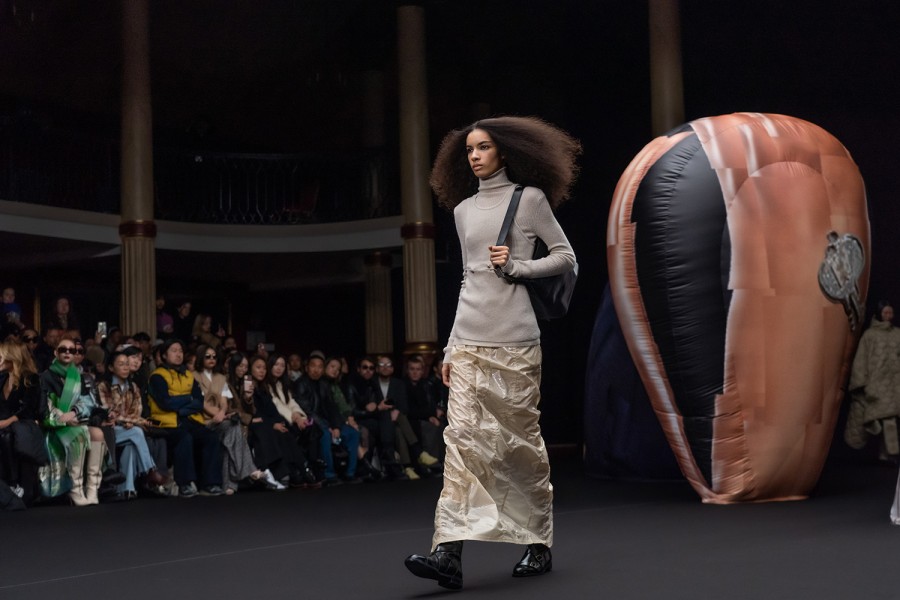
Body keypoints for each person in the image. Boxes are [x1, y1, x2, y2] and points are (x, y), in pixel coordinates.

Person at [404, 116, 580, 589]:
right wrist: (450, 346)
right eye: (469, 150)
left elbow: (566, 257)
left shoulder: (530, 200)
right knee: (462, 442)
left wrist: (519, 265)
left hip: (518, 344)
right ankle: (448, 554)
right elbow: (468, 278)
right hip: (469, 343)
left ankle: (537, 543)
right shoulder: (462, 211)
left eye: (483, 148)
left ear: (504, 151)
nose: (475, 156)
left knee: (518, 446)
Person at [193, 344, 283, 494]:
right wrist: (219, 414)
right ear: (201, 357)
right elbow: (200, 402)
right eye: (208, 356)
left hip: (223, 419)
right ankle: (252, 472)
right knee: (234, 428)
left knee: (232, 430)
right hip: (204, 420)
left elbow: (224, 400)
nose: (211, 359)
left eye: (214, 356)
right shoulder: (194, 376)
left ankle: (229, 485)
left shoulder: (220, 377)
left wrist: (228, 408)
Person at [146, 339, 224, 497]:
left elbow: (198, 402)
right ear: (164, 356)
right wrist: (187, 399)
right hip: (166, 423)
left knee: (210, 437)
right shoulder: (157, 376)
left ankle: (210, 484)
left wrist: (182, 404)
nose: (178, 354)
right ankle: (185, 484)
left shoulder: (189, 375)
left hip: (190, 419)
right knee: (184, 438)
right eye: (174, 350)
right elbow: (166, 403)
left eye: (180, 351)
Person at [39, 336, 110, 505]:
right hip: (53, 425)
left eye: (72, 350)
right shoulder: (45, 377)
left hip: (76, 421)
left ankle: (92, 489)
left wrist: (74, 413)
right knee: (79, 435)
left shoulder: (78, 376)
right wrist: (62, 419)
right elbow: (43, 407)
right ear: (56, 352)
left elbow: (88, 402)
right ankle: (75, 489)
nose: (68, 353)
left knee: (98, 434)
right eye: (63, 349)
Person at [96, 350, 168, 500]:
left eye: (127, 364)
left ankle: (127, 489)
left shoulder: (134, 387)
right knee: (137, 433)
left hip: (127, 428)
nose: (126, 367)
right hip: (109, 429)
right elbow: (109, 412)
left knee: (131, 444)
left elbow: (137, 412)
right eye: (121, 364)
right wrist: (129, 421)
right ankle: (150, 471)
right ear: (111, 368)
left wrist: (130, 421)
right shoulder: (104, 386)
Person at [849, 301, 900, 463]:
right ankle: (888, 454)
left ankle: (887, 455)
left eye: (890, 313)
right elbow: (861, 360)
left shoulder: (897, 334)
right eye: (885, 313)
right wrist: (860, 382)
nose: (888, 316)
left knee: (890, 420)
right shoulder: (869, 335)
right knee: (885, 419)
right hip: (876, 383)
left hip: (895, 384)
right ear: (879, 313)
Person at [0, 339, 42, 504]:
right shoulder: (2, 378)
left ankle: (14, 482)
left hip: (23, 423)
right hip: (4, 421)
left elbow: (28, 410)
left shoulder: (31, 379)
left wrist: (4, 423)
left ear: (13, 358)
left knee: (6, 435)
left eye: (2, 356)